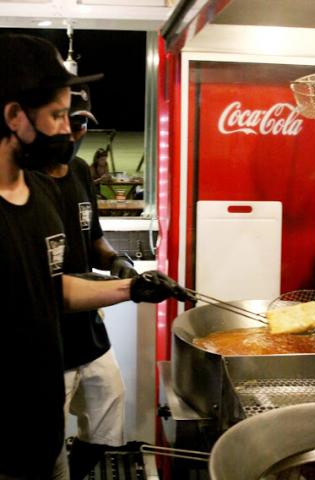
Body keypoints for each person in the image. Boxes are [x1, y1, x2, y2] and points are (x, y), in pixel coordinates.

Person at [0, 32, 192, 480]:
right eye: (57, 116)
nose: (68, 130)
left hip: (42, 441)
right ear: (14, 116)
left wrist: (131, 286)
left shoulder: (36, 198)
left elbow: (52, 290)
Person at [40, 83, 138, 480]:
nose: (73, 132)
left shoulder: (81, 172)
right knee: (45, 444)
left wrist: (118, 260)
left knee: (107, 417)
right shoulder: (24, 183)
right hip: (49, 340)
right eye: (64, 120)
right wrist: (129, 290)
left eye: (81, 122)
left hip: (89, 331)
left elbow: (93, 238)